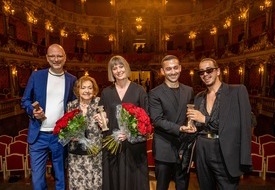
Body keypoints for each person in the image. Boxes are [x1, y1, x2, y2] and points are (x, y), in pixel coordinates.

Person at [186, 58, 252, 190]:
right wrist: (192, 127)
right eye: (201, 72)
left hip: (225, 150)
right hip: (202, 149)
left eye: (209, 70)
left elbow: (244, 125)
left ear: (218, 71)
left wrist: (204, 119)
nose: (205, 74)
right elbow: (198, 125)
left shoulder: (237, 92)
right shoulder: (199, 97)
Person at [21, 44, 77, 190]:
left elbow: (74, 106)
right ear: (47, 58)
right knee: (37, 181)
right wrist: (32, 111)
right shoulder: (36, 76)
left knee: (60, 178)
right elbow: (25, 100)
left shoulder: (72, 80)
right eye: (52, 56)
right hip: (38, 135)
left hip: (59, 135)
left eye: (59, 56)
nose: (56, 59)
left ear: (65, 58)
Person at [100, 55, 149, 190]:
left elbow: (146, 118)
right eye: (114, 68)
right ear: (111, 72)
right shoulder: (106, 93)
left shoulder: (139, 90)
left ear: (126, 68)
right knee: (113, 178)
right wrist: (100, 119)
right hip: (112, 143)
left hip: (134, 146)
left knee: (135, 180)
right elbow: (102, 115)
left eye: (121, 66)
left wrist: (130, 134)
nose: (118, 70)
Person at [148, 55, 195, 190]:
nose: (173, 72)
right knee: (162, 187)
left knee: (182, 186)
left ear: (180, 68)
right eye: (168, 69)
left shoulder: (189, 90)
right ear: (162, 71)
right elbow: (157, 120)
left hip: (183, 148)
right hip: (164, 148)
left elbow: (190, 115)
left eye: (175, 68)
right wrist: (180, 128)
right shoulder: (154, 93)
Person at [66, 75, 105, 189]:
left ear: (94, 90)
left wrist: (104, 122)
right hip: (76, 154)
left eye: (90, 88)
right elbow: (66, 126)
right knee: (78, 185)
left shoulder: (100, 103)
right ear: (78, 90)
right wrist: (70, 135)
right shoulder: (71, 105)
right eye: (83, 88)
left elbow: (106, 126)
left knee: (95, 185)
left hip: (95, 153)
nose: (87, 91)